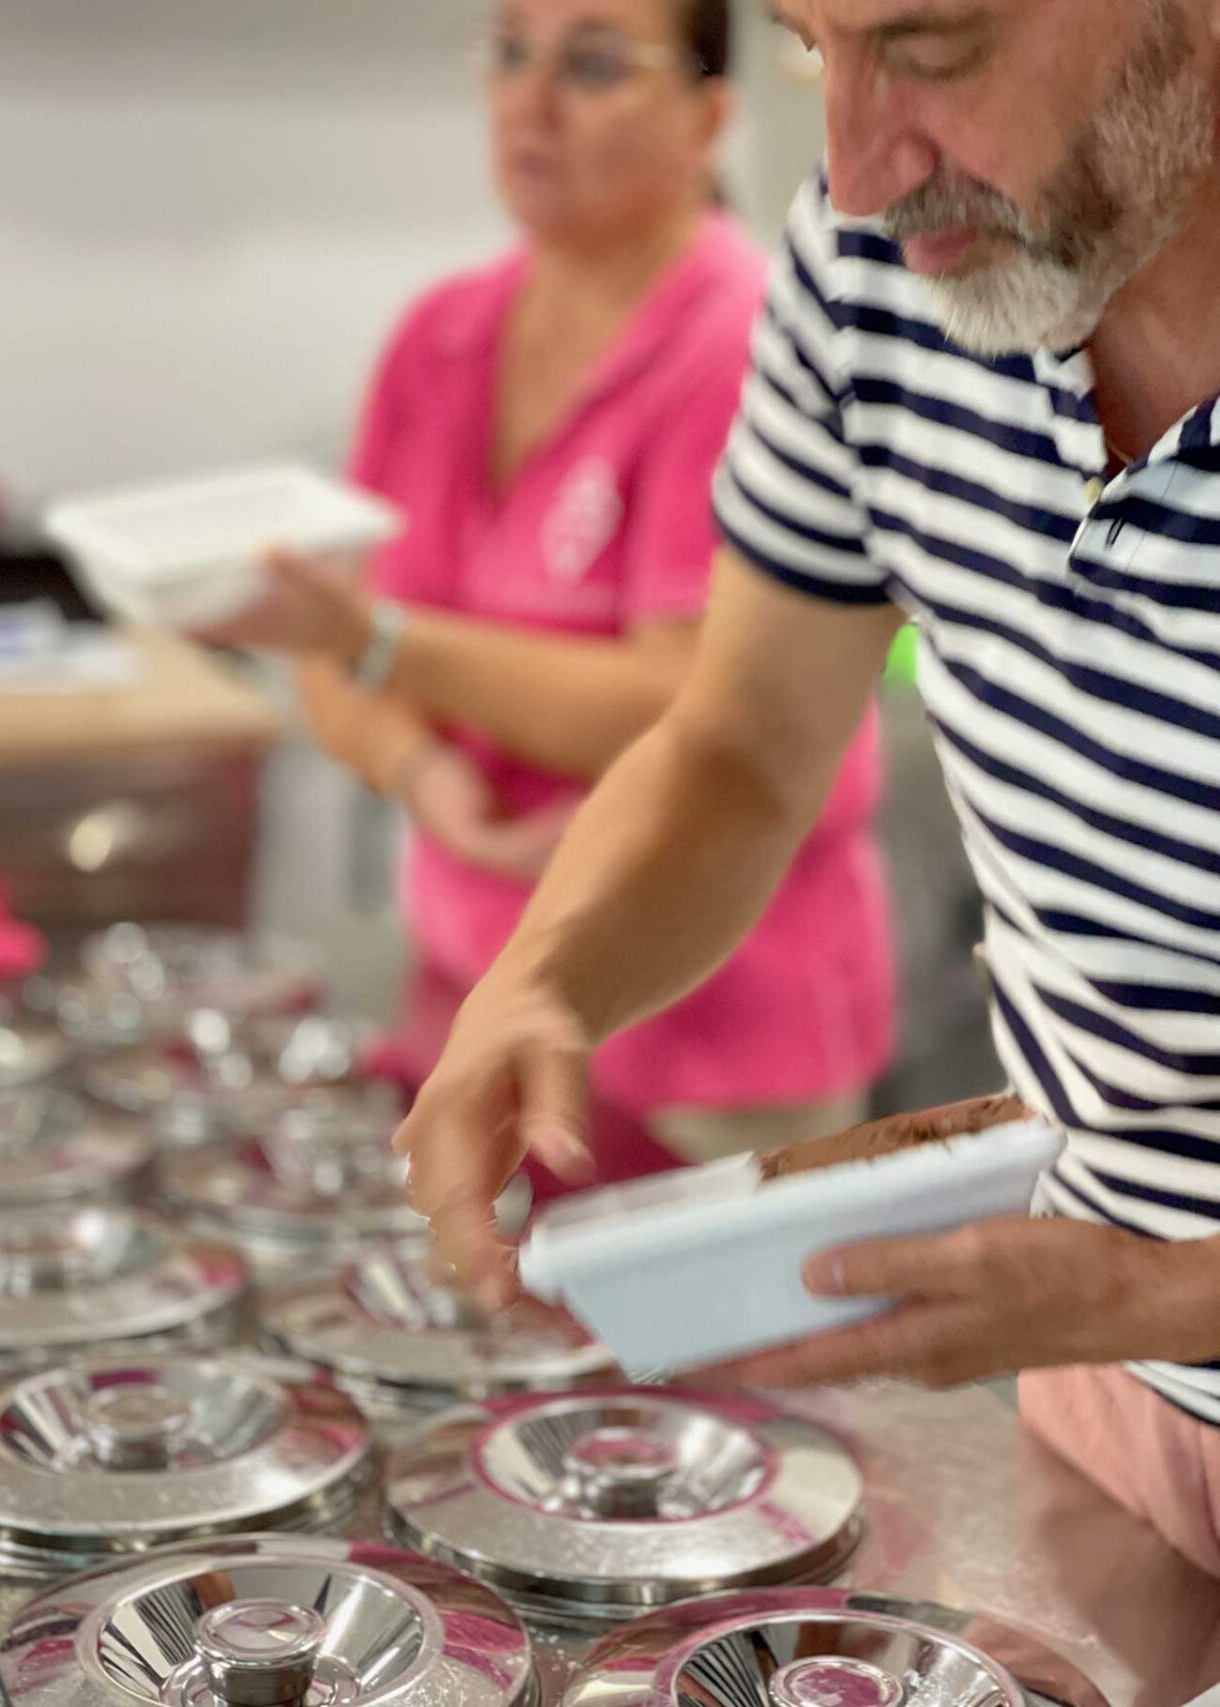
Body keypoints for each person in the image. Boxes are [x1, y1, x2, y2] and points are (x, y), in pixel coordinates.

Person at [396, 0, 1220, 1576]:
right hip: (1099, 1394)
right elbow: (742, 744)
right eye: (808, 45)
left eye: (930, 48)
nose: (853, 173)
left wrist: (1160, 1287)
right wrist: (549, 977)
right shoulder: (883, 276)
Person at [203, 0, 893, 1168]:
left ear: (707, 116)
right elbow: (334, 656)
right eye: (511, 53)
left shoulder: (745, 341)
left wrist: (384, 641)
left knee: (696, 1354)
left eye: (590, 64)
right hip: (471, 985)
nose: (530, 101)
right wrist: (418, 771)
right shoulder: (442, 335)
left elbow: (695, 708)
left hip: (713, 1040)